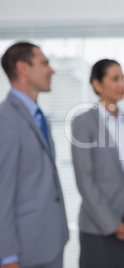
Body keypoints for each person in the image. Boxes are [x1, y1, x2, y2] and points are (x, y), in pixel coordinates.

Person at [71, 59, 124, 268]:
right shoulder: (83, 123)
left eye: (123, 78)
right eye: (115, 79)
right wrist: (113, 225)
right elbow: (85, 181)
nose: (122, 84)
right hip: (97, 228)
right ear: (97, 85)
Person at [0, 42, 69, 268]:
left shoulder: (39, 117)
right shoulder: (5, 119)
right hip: (25, 251)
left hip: (51, 243)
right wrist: (7, 256)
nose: (52, 71)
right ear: (23, 68)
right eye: (44, 63)